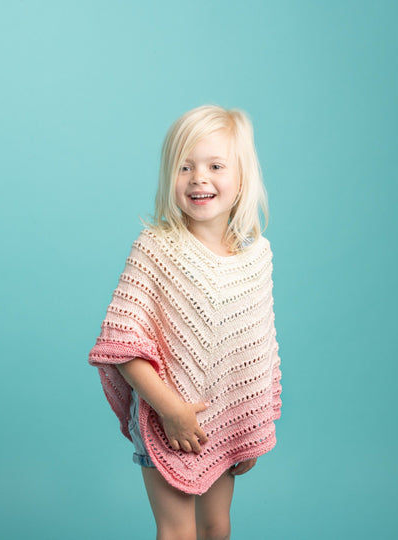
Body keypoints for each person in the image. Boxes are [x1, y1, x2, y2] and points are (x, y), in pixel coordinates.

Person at [89, 104, 282, 540]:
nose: (199, 178)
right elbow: (122, 345)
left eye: (216, 166)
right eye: (185, 167)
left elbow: (259, 352)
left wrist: (251, 426)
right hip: (166, 421)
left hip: (224, 420)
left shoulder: (256, 257)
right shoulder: (155, 248)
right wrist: (171, 410)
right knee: (177, 531)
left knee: (217, 527)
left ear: (242, 179)